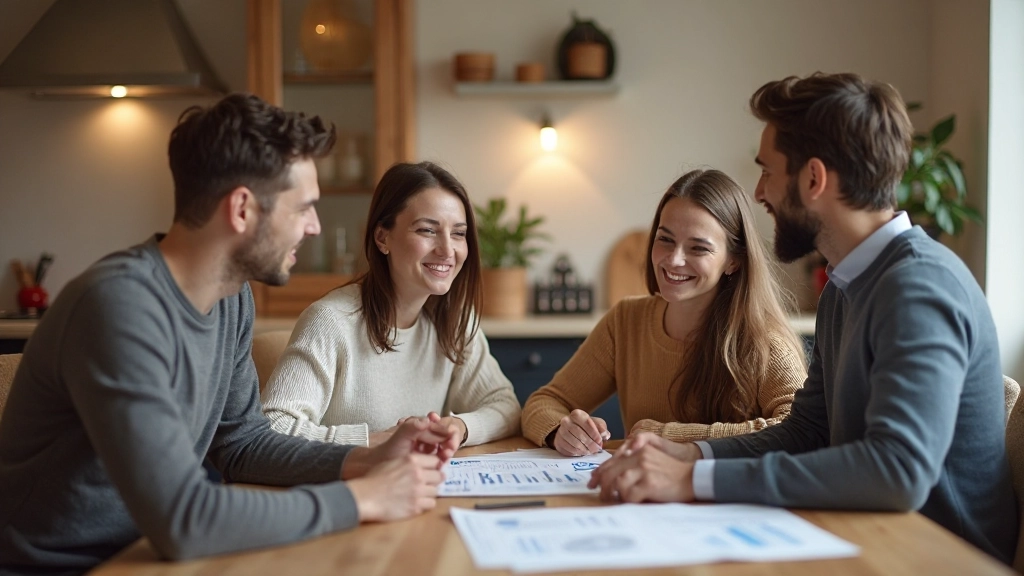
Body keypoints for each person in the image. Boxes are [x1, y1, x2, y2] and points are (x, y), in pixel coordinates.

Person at [0, 94, 460, 576]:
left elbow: (243, 447)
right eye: (302, 208)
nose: (314, 227)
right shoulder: (118, 307)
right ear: (242, 209)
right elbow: (184, 520)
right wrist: (362, 498)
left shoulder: (230, 297)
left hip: (154, 556)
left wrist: (365, 461)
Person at [590, 72, 1018, 564]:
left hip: (929, 558)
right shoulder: (846, 284)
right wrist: (695, 454)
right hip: (861, 536)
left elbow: (897, 471)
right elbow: (808, 431)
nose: (758, 192)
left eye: (767, 171)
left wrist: (691, 480)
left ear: (813, 179)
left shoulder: (919, 287)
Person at [521, 169, 807, 456]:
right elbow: (544, 401)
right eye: (665, 239)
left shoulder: (766, 342)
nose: (674, 259)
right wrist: (562, 429)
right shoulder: (625, 321)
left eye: (698, 248)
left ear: (733, 262)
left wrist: (670, 436)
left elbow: (802, 431)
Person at [260, 161, 520, 448]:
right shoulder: (331, 320)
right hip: (347, 488)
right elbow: (274, 427)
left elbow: (506, 406)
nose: (448, 250)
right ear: (383, 237)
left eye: (458, 233)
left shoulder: (456, 320)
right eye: (427, 230)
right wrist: (378, 441)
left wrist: (459, 427)